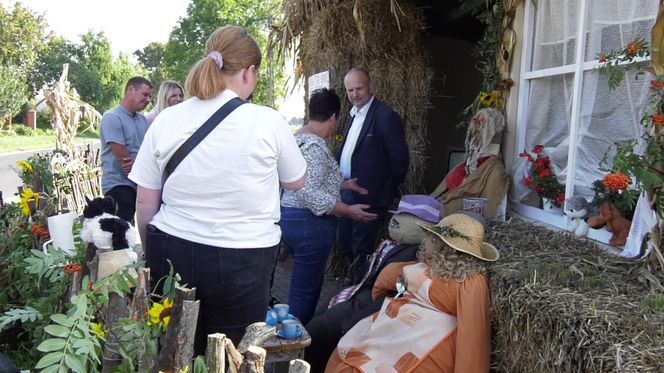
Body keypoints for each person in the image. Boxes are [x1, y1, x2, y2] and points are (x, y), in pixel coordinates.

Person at [128, 25, 307, 354]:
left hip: (172, 249)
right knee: (231, 354)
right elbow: (296, 181)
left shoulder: (167, 120)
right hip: (244, 260)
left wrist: (153, 253)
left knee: (174, 349)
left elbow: (144, 200)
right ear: (249, 72)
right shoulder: (268, 121)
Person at [325, 213, 498, 372]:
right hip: (420, 330)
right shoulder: (465, 279)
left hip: (416, 329)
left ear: (439, 243)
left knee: (357, 356)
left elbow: (384, 279)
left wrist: (381, 299)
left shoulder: (428, 269)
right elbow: (473, 332)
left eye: (432, 238)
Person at [304, 194, 440, 372]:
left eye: (406, 217)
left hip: (370, 304)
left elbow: (397, 294)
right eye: (397, 215)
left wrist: (356, 319)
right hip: (359, 294)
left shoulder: (418, 256)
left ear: (425, 228)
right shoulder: (393, 245)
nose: (396, 220)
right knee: (318, 323)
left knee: (319, 331)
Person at [280, 88, 377, 325]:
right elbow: (307, 191)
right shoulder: (314, 147)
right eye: (335, 120)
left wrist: (344, 184)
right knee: (305, 291)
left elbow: (307, 178)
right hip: (308, 226)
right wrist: (347, 210)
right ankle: (294, 342)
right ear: (333, 118)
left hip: (290, 219)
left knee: (301, 284)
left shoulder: (297, 138)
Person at [336, 67, 410, 281]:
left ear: (370, 87)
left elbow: (400, 158)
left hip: (369, 194)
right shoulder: (353, 115)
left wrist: (384, 189)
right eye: (350, 90)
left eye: (359, 88)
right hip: (346, 192)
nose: (354, 94)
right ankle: (352, 282)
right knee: (345, 243)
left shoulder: (385, 116)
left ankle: (360, 290)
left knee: (362, 247)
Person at [430, 107, 510, 219]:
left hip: (460, 211)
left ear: (493, 131)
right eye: (476, 123)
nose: (477, 129)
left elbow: (489, 206)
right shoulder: (473, 158)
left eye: (482, 125)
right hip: (448, 200)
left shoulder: (495, 169)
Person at [99, 76, 153, 222]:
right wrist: (146, 167)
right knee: (120, 233)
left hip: (138, 184)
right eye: (145, 94)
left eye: (150, 96)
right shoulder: (112, 117)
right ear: (130, 90)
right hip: (118, 185)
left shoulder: (142, 120)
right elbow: (125, 160)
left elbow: (149, 153)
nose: (148, 99)